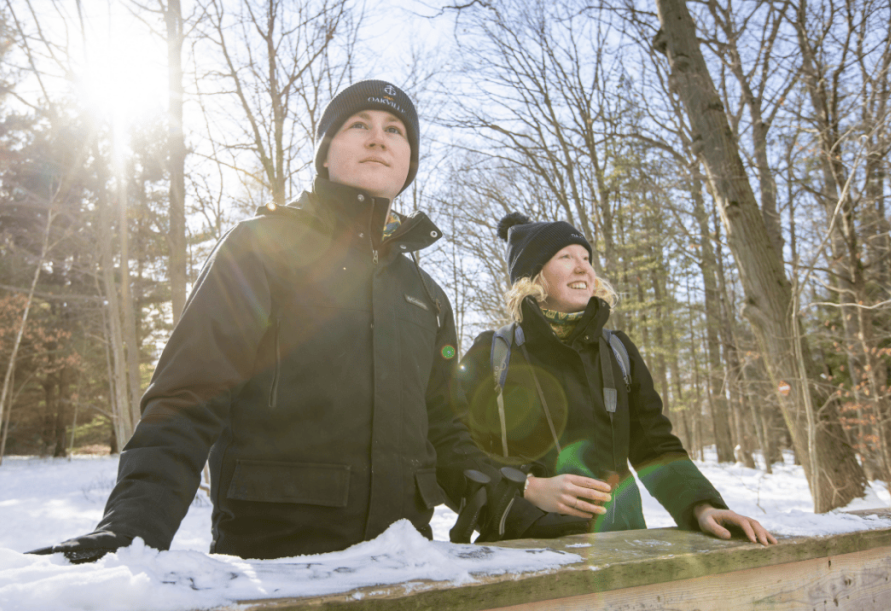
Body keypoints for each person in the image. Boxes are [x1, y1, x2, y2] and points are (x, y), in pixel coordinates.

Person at [30, 82, 577, 563]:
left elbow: (446, 434)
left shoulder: (426, 295)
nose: (377, 137)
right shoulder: (263, 248)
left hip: (404, 566)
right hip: (275, 567)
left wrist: (519, 493)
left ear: (408, 162)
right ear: (323, 154)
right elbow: (188, 397)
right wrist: (132, 529)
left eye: (395, 130)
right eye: (357, 124)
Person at [456, 212, 777, 546]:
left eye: (586, 258)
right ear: (532, 276)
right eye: (565, 257)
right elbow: (456, 448)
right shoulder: (494, 353)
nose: (583, 267)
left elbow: (654, 444)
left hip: (622, 546)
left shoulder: (617, 351)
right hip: (525, 550)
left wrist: (702, 506)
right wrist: (524, 486)